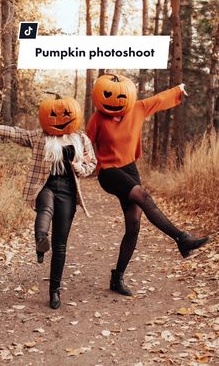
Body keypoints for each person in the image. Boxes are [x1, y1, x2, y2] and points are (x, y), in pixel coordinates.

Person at [86, 73, 209, 297]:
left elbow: (159, 99)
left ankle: (117, 278)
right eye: (108, 95)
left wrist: (179, 89)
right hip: (108, 171)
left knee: (133, 225)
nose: (115, 101)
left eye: (121, 96)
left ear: (128, 97)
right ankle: (181, 238)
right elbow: (84, 143)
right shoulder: (97, 118)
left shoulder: (138, 108)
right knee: (143, 195)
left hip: (129, 168)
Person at [0, 95, 96, 309]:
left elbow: (92, 163)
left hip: (69, 191)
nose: (59, 118)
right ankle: (40, 240)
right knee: (45, 208)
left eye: (65, 114)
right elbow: (14, 132)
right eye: (53, 114)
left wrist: (81, 168)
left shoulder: (80, 139)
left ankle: (55, 291)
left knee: (60, 245)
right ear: (46, 116)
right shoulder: (39, 137)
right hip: (45, 185)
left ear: (74, 116)